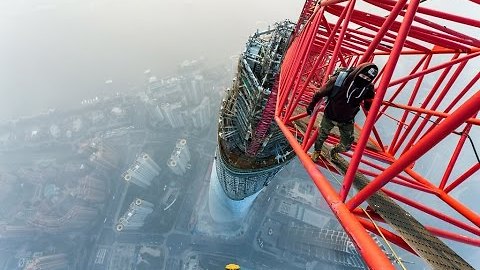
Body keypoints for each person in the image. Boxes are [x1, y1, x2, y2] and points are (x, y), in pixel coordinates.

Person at [306, 62, 378, 162]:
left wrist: (368, 103)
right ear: (357, 72)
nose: (364, 80)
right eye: (362, 76)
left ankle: (334, 150)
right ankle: (317, 151)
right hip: (329, 116)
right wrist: (311, 105)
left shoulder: (367, 87)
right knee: (321, 137)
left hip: (347, 120)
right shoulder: (339, 80)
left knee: (347, 145)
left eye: (367, 79)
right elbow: (319, 93)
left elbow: (368, 101)